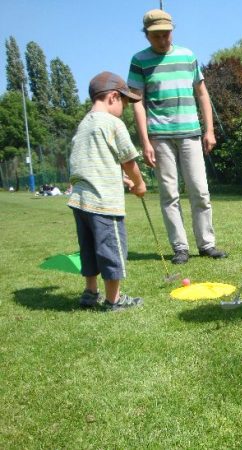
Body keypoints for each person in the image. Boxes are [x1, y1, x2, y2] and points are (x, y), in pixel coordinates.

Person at [128, 9, 227, 265]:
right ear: (147, 36)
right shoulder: (139, 61)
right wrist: (145, 141)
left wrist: (209, 130)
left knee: (200, 191)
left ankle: (206, 244)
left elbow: (202, 94)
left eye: (166, 34)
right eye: (156, 36)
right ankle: (180, 247)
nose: (163, 39)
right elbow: (137, 103)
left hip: (190, 134)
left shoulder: (187, 55)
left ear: (172, 30)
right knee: (169, 194)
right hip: (160, 137)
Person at [68, 71, 147, 311]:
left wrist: (118, 178)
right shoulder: (113, 123)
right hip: (104, 203)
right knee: (111, 249)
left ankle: (90, 292)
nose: (124, 107)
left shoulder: (84, 125)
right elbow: (129, 160)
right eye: (124, 102)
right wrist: (140, 184)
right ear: (113, 97)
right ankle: (114, 300)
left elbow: (91, 161)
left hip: (80, 201)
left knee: (89, 249)